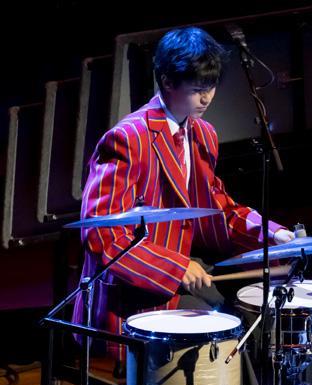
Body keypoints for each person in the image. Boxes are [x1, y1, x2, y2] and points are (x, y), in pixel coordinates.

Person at [71, 27, 293, 359]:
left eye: (211, 87)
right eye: (197, 89)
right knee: (224, 334)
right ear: (167, 81)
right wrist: (176, 268)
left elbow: (218, 208)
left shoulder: (203, 134)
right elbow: (103, 235)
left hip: (183, 277)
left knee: (264, 318)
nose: (207, 98)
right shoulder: (127, 139)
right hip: (133, 294)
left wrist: (272, 235)